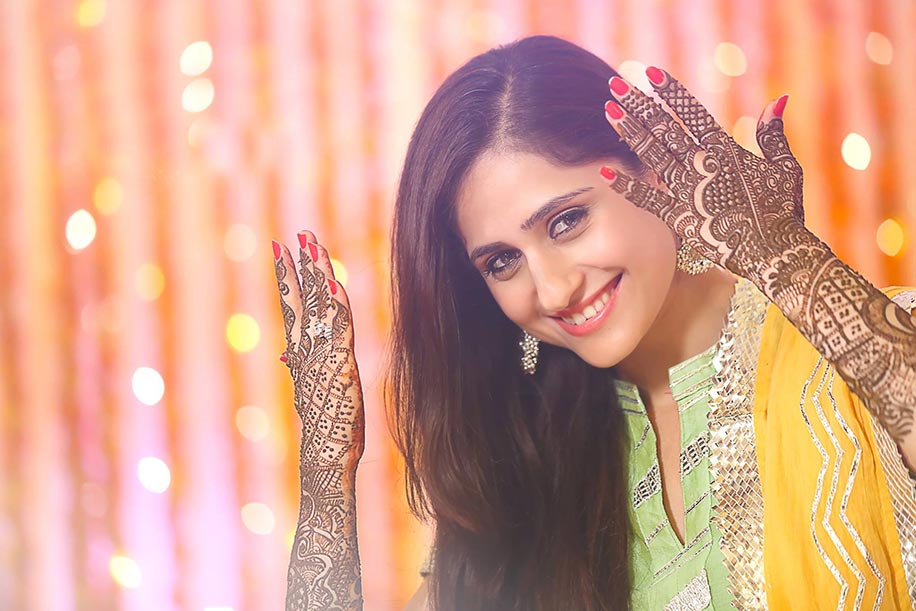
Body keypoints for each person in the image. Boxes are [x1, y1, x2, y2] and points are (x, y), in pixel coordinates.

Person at [271, 35, 916, 610]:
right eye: (502, 262)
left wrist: (791, 266)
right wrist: (327, 473)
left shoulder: (857, 353)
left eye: (566, 221)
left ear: (652, 168)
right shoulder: (531, 472)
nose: (553, 288)